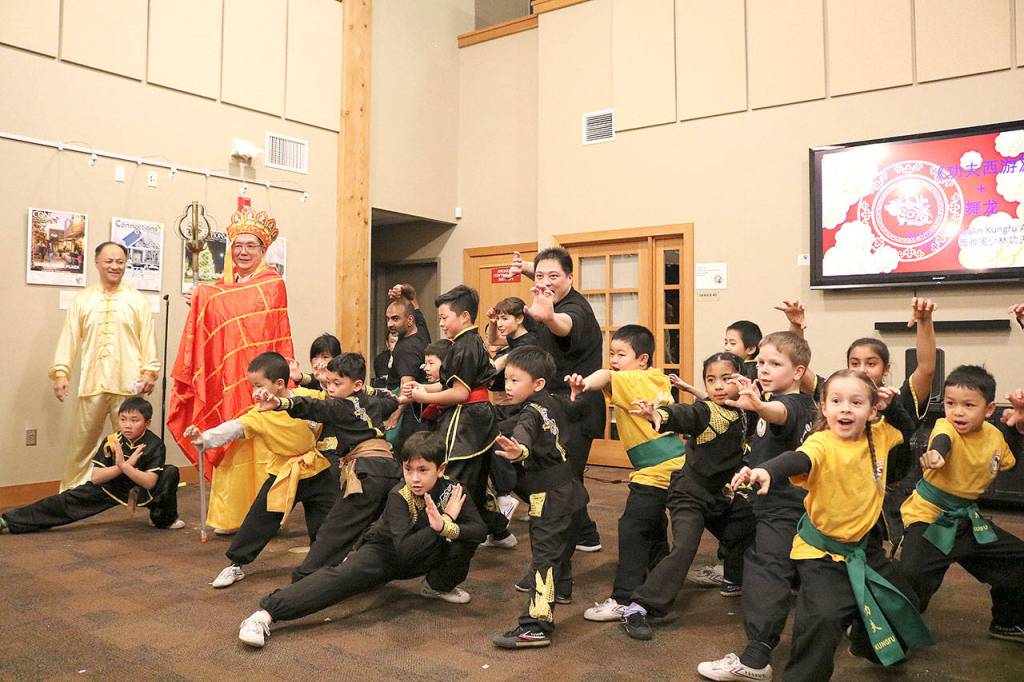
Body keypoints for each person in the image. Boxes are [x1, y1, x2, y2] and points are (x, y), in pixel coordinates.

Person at [732, 370, 932, 679]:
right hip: (822, 554)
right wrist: (768, 470)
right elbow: (798, 459)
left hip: (865, 550)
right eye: (836, 401)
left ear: (871, 409)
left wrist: (891, 406)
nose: (846, 409)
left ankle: (868, 645)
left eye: (856, 402)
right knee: (822, 619)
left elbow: (906, 429)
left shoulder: (879, 434)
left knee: (904, 602)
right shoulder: (822, 442)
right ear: (824, 408)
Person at [236, 431, 485, 648]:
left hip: (425, 552)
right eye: (408, 470)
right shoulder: (399, 495)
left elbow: (479, 531)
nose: (415, 478)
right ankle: (265, 613)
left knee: (464, 539)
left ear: (441, 469)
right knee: (341, 577)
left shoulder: (453, 491)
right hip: (384, 554)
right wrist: (442, 526)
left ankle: (437, 586)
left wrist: (447, 527)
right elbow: (404, 550)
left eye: (423, 470)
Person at [697, 331, 816, 681]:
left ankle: (755, 659)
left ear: (797, 372)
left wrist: (759, 405)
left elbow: (778, 413)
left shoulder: (790, 404)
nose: (764, 370)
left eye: (775, 364)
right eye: (762, 362)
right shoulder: (796, 398)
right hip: (784, 505)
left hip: (783, 508)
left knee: (766, 573)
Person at [167, 208, 295, 534]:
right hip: (228, 376)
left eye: (251, 245)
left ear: (263, 248)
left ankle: (262, 518)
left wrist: (208, 299)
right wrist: (203, 305)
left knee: (260, 440)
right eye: (238, 245)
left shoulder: (273, 283)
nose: (243, 251)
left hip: (259, 376)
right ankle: (229, 516)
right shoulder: (222, 288)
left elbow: (261, 321)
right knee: (230, 439)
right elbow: (223, 316)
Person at [612, 353, 754, 635]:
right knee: (685, 548)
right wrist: (658, 416)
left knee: (746, 525)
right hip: (690, 494)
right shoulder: (706, 411)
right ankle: (639, 607)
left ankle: (734, 578)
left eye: (726, 379)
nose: (718, 386)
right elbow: (684, 415)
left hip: (720, 496)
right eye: (711, 380)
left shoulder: (745, 409)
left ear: (742, 379)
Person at [561, 325, 685, 620]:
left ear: (642, 359)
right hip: (675, 464)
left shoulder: (633, 378)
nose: (614, 360)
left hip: (656, 470)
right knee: (652, 527)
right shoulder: (657, 378)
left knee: (632, 527)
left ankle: (623, 597)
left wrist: (584, 383)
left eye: (621, 354)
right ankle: (658, 583)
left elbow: (605, 376)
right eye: (611, 353)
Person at [184, 352, 336, 589]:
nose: (254, 392)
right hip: (283, 472)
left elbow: (332, 403)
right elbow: (234, 428)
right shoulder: (258, 415)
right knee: (261, 518)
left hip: (315, 468)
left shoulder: (308, 397)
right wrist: (203, 438)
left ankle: (326, 563)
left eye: (258, 385)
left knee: (327, 520)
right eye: (251, 386)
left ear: (279, 385)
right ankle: (235, 564)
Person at [898, 366, 1024, 645]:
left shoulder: (994, 435)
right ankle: (875, 636)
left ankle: (1007, 621)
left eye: (969, 405)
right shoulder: (945, 428)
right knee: (912, 578)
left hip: (967, 521)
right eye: (951, 404)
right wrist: (935, 455)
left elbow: (1009, 458)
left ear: (989, 409)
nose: (958, 412)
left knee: (1018, 561)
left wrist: (1018, 426)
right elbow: (942, 442)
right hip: (929, 518)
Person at [263, 352, 402, 583]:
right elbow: (390, 401)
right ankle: (369, 573)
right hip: (390, 470)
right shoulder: (371, 400)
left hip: (367, 472)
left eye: (337, 383)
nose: (331, 388)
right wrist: (372, 391)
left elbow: (315, 406)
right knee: (376, 527)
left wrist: (281, 403)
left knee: (334, 530)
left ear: (356, 384)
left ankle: (303, 582)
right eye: (328, 383)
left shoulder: (340, 406)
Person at [403, 285, 514, 548]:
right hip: (478, 419)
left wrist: (422, 396)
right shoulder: (470, 341)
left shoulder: (464, 346)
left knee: (451, 479)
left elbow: (460, 394)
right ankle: (496, 530)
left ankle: (445, 535)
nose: (440, 323)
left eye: (444, 317)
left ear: (464, 316)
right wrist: (421, 389)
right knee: (474, 482)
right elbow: (451, 386)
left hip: (466, 421)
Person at [492, 346, 587, 649]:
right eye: (506, 379)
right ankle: (563, 589)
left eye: (515, 380)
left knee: (544, 558)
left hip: (548, 496)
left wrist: (519, 450)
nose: (507, 386)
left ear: (538, 384)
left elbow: (524, 433)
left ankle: (536, 626)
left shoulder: (530, 413)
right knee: (559, 549)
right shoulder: (553, 402)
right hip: (569, 489)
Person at [510, 247, 603, 551]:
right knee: (561, 479)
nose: (546, 282)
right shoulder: (546, 292)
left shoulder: (577, 310)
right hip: (552, 405)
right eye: (540, 276)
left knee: (562, 483)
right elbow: (543, 274)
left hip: (576, 407)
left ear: (571, 278)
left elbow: (565, 323)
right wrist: (528, 268)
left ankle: (556, 565)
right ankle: (586, 534)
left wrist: (548, 317)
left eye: (554, 276)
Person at [50, 241, 160, 490]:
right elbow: (68, 338)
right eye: (109, 261)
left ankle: (132, 493)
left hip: (128, 384)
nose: (115, 266)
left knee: (132, 442)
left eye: (120, 262)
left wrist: (149, 372)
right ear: (97, 263)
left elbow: (148, 340)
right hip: (93, 384)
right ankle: (72, 491)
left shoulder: (137, 300)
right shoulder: (82, 300)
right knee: (83, 443)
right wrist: (61, 373)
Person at [1, 397, 182, 533]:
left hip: (143, 490)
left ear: (147, 422)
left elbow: (150, 482)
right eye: (123, 419)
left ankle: (162, 517)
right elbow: (96, 477)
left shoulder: (155, 444)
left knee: (170, 472)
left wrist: (125, 467)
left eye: (134, 420)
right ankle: (9, 521)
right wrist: (121, 466)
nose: (127, 425)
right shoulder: (112, 440)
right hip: (111, 486)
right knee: (64, 501)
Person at [383, 298, 428, 445]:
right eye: (388, 319)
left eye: (395, 319)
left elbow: (406, 385)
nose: (390, 324)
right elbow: (414, 300)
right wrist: (404, 292)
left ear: (409, 320)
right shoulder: (421, 332)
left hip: (407, 414)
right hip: (419, 412)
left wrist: (394, 417)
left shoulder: (406, 349)